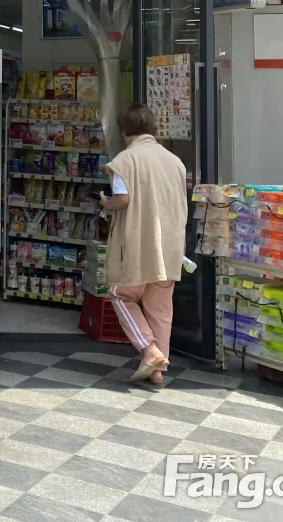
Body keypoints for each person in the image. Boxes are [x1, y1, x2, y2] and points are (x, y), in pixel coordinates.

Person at [99, 102, 188, 387]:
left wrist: (106, 203)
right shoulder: (175, 162)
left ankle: (149, 350)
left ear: (124, 129)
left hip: (138, 244)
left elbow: (123, 199)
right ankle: (157, 371)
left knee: (121, 295)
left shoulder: (125, 161)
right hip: (170, 246)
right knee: (160, 309)